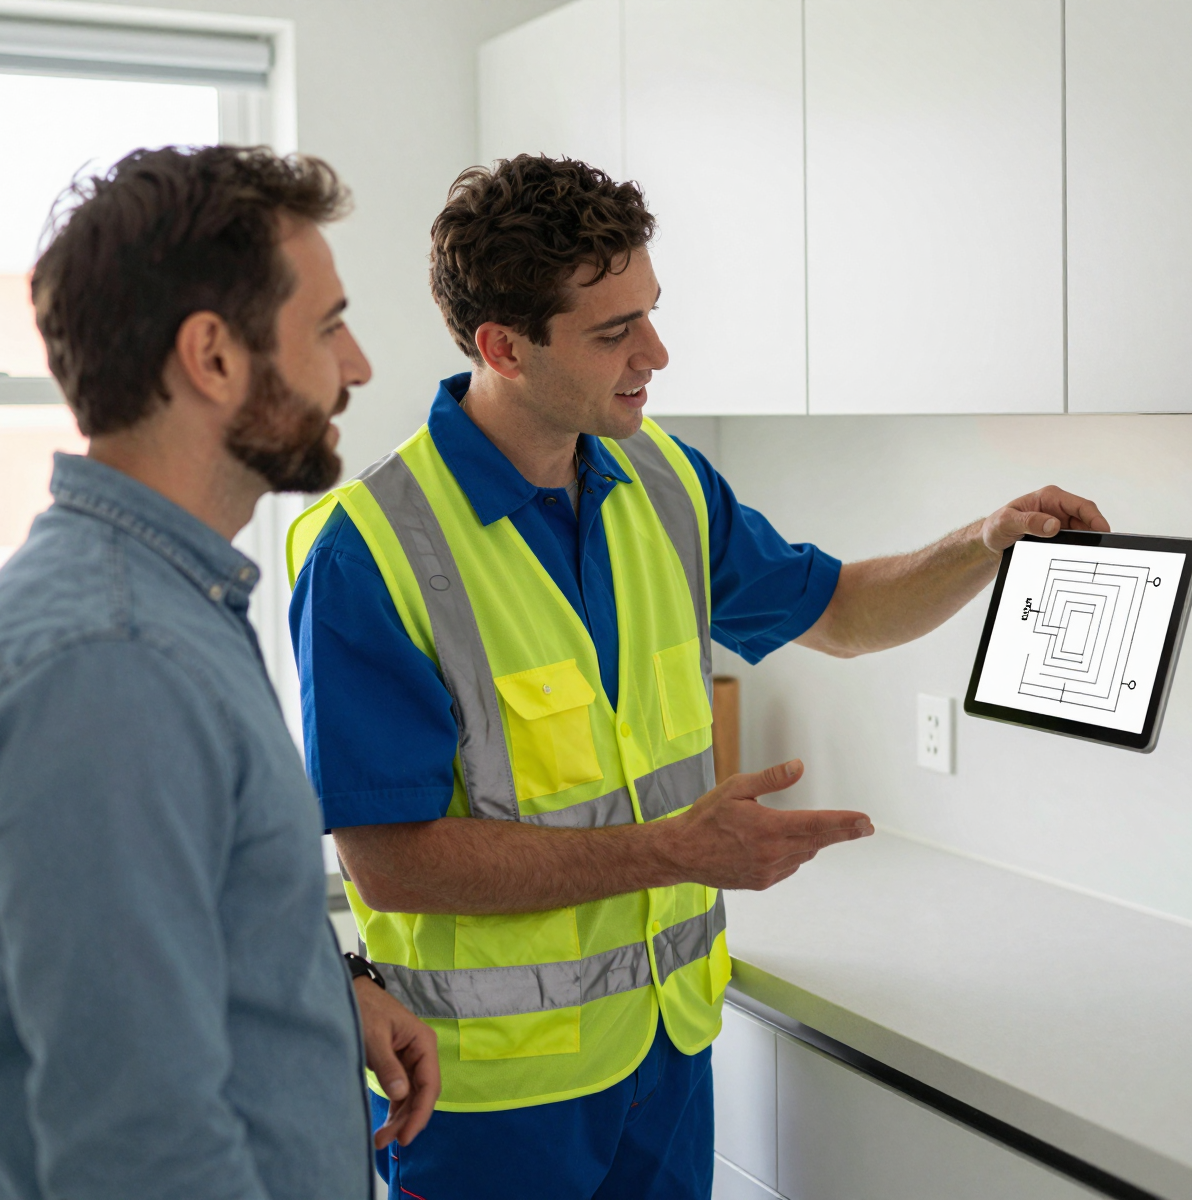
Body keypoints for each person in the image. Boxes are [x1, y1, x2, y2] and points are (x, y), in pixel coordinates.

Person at [288, 153, 1108, 1200]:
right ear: (503, 346)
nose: (655, 354)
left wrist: (985, 543)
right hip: (490, 1099)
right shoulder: (369, 551)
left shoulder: (663, 482)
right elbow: (391, 865)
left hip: (666, 1059)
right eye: (612, 332)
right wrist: (675, 850)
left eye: (651, 314)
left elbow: (842, 614)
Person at [0, 145, 439, 1200]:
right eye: (328, 325)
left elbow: (186, 928)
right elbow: (138, 1153)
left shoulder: (172, 601)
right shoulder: (109, 667)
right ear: (211, 357)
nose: (359, 367)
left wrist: (320, 994)